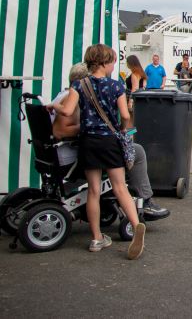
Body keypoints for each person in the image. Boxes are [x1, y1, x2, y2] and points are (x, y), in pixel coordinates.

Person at [50, 44, 145, 259]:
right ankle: (136, 224)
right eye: (112, 61)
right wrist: (121, 128)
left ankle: (96, 238)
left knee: (93, 190)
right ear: (104, 63)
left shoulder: (78, 84)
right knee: (120, 187)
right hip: (109, 141)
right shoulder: (116, 86)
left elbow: (66, 110)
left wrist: (52, 106)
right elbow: (126, 116)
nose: (113, 65)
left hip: (88, 141)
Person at [51, 62, 170, 221]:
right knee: (137, 152)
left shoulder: (63, 95)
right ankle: (145, 200)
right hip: (75, 156)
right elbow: (59, 131)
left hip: (70, 151)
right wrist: (90, 126)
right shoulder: (72, 99)